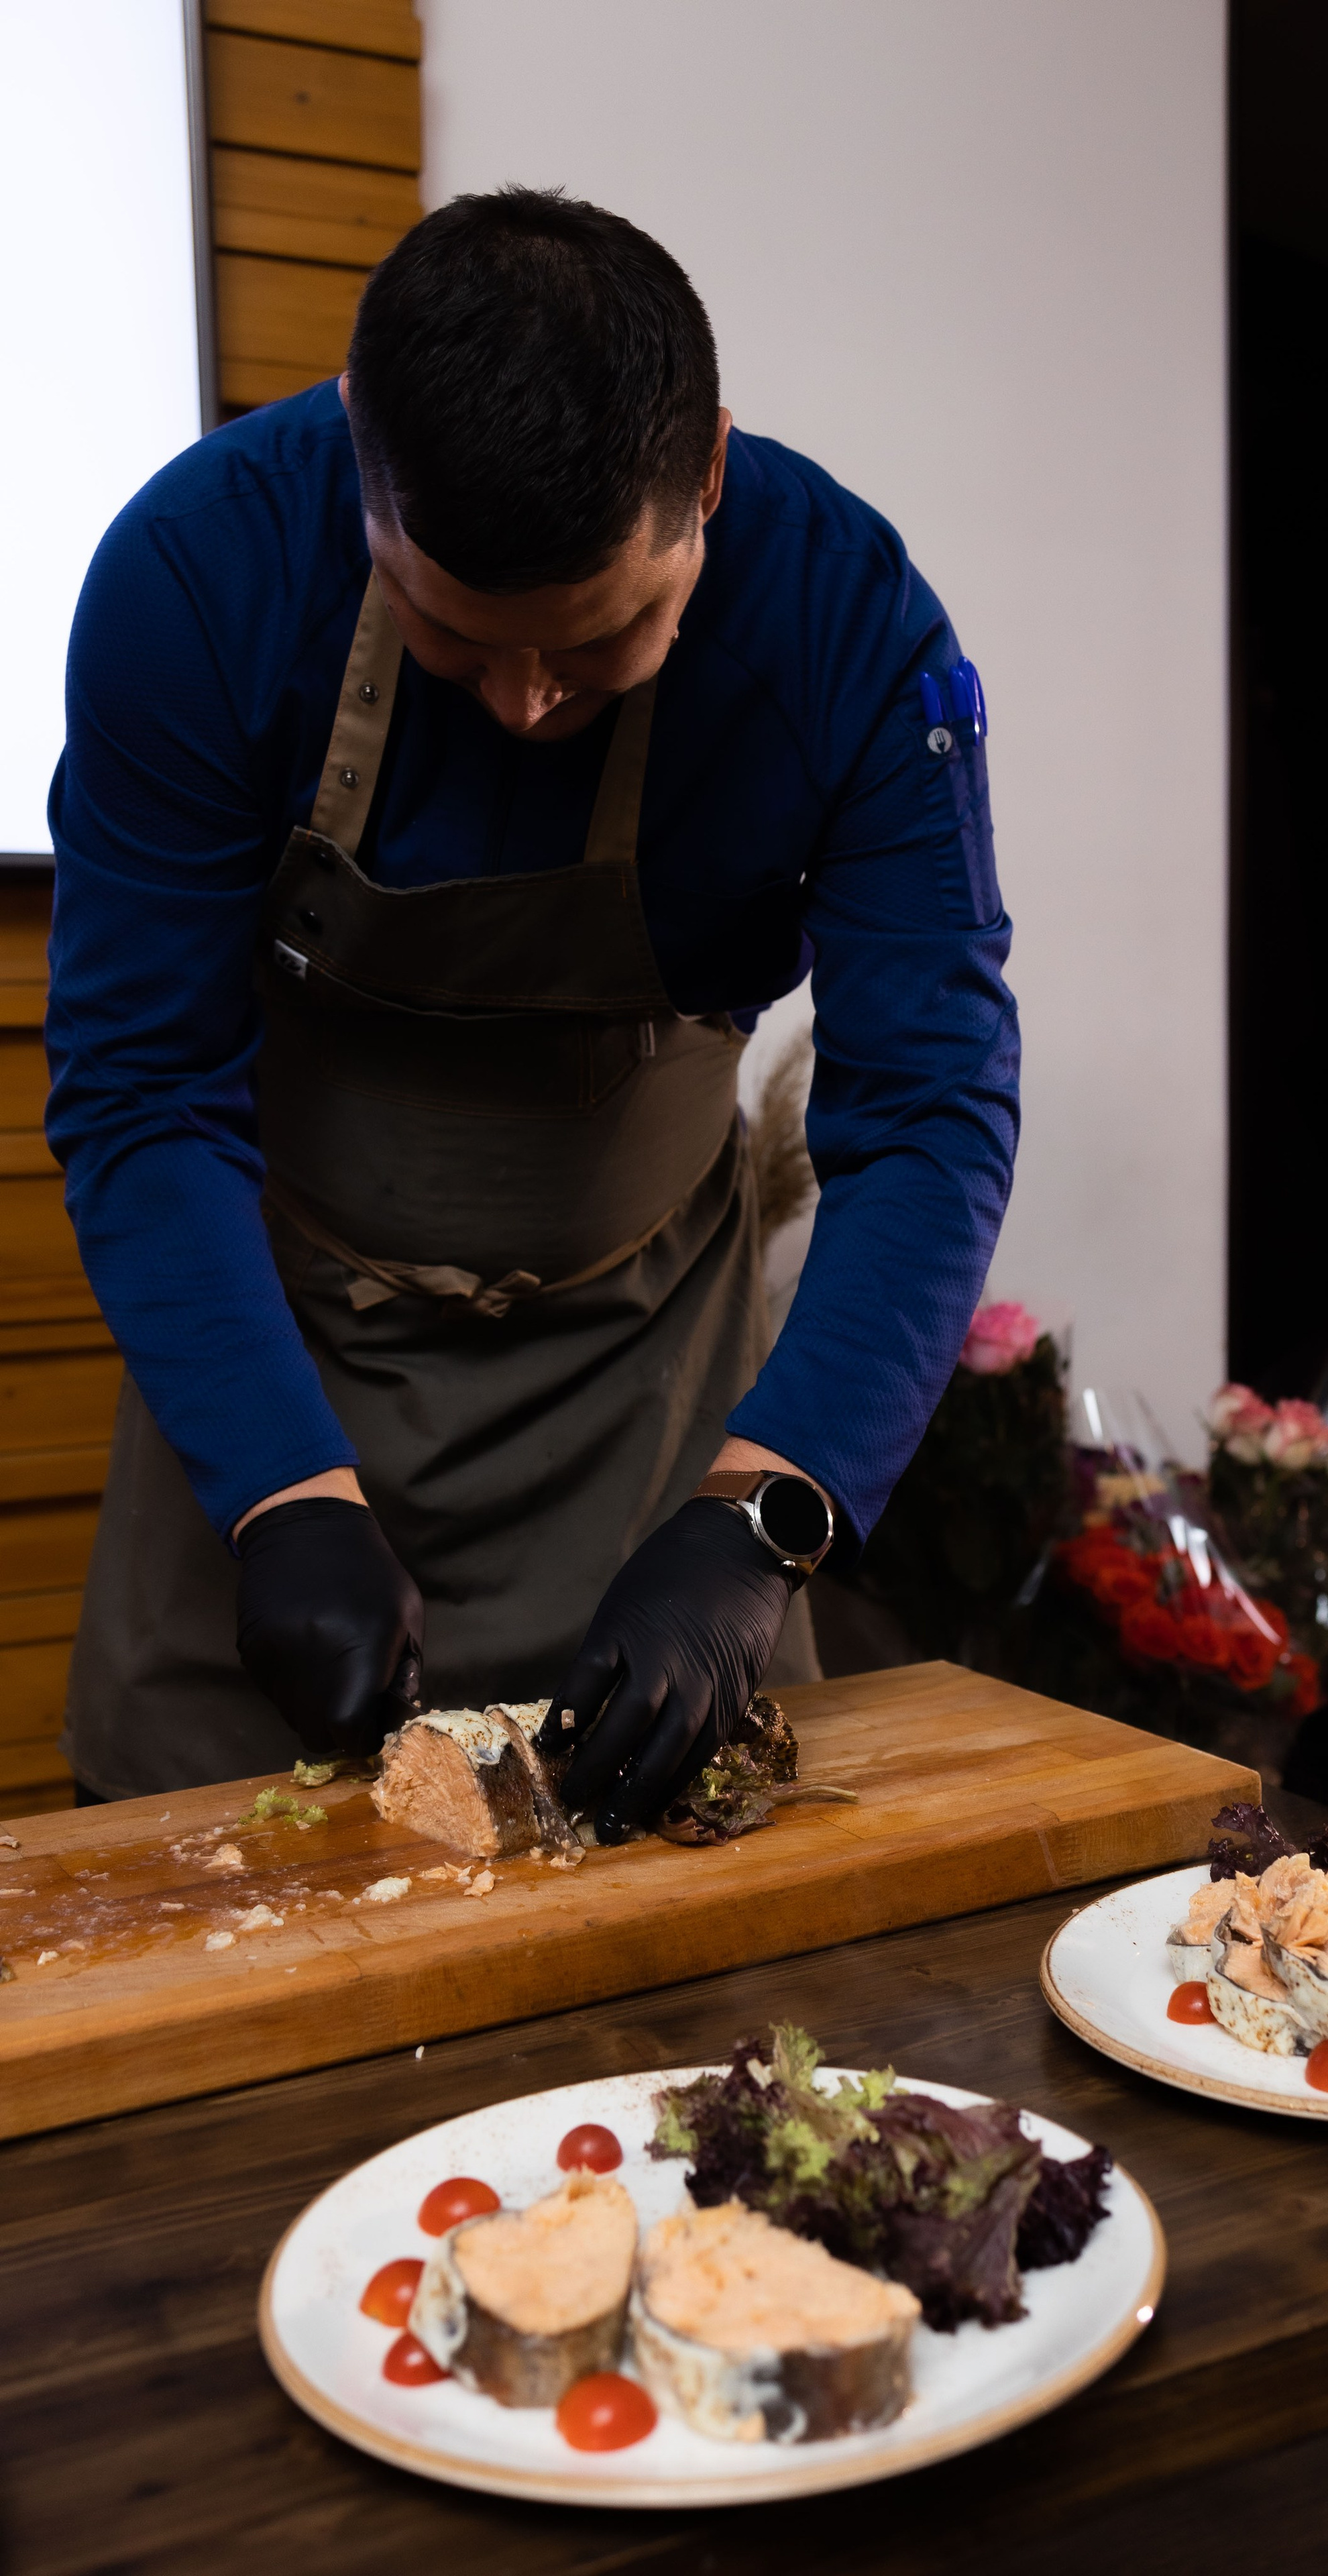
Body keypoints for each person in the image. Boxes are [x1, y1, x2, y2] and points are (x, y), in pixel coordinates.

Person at [46, 189, 1018, 1839]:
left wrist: (764, 1512)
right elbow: (143, 1090)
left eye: (609, 635)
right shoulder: (195, 577)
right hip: (279, 1358)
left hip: (649, 1393)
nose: (529, 704)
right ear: (361, 461)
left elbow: (928, 1109)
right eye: (452, 638)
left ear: (704, 472)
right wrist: (279, 1491)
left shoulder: (847, 627)